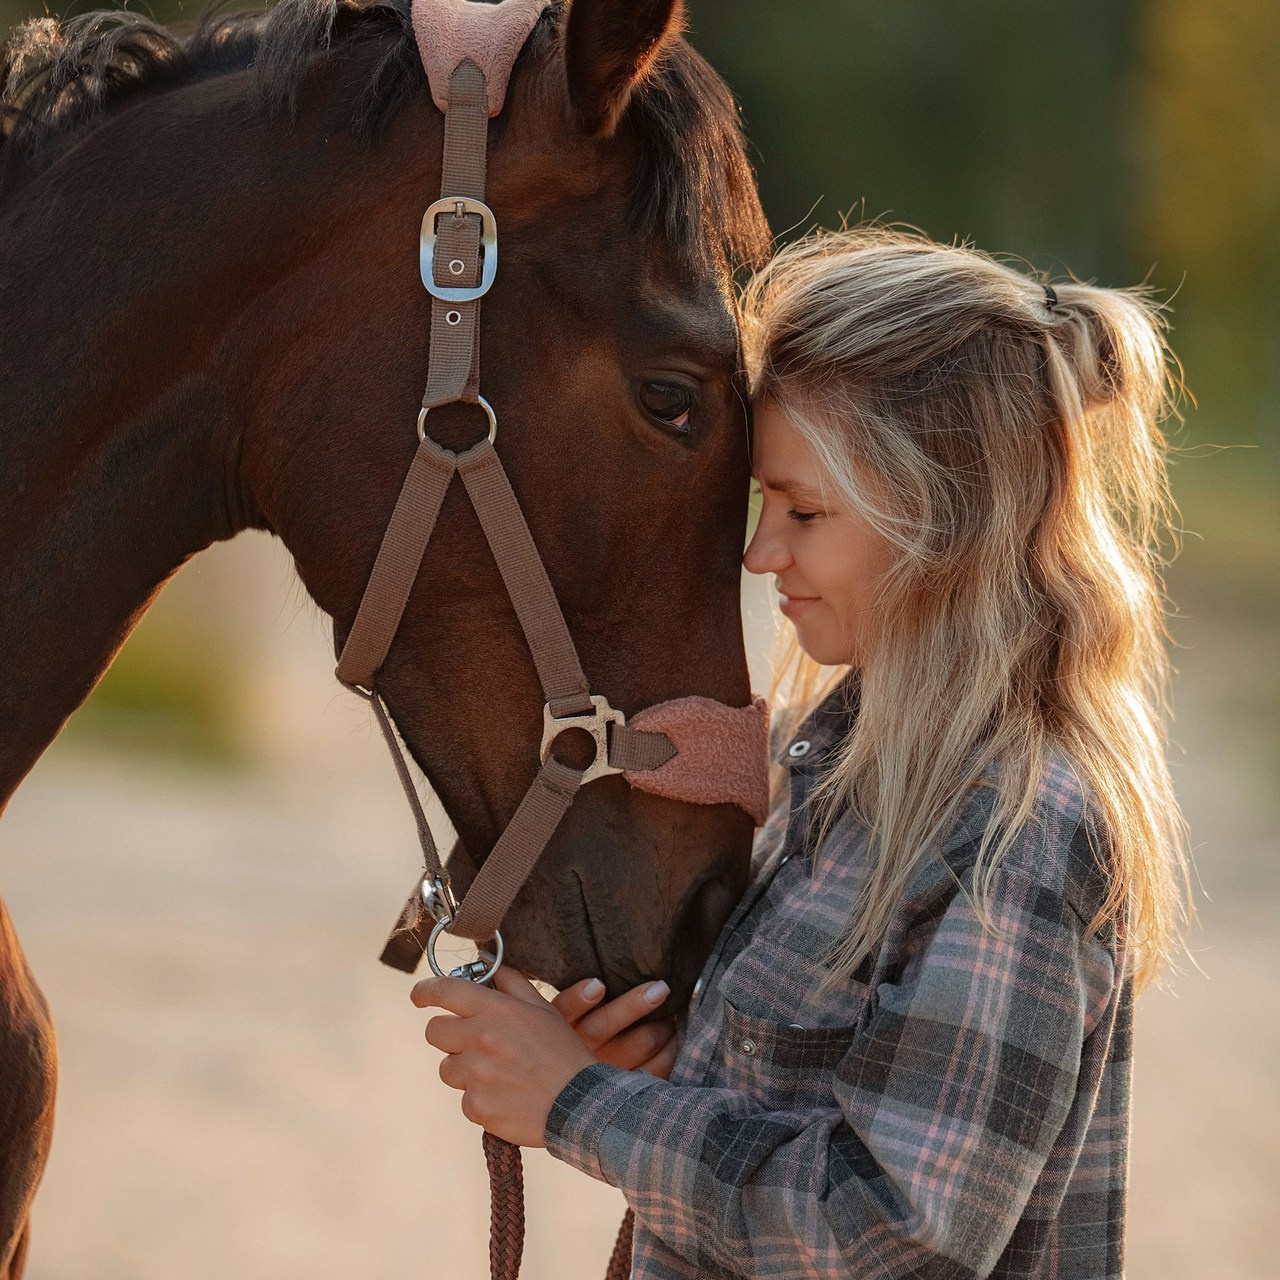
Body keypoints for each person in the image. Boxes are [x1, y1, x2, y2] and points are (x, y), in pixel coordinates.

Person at [410, 226, 1191, 1279]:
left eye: (803, 510)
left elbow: (889, 1231)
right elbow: (833, 1098)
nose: (760, 551)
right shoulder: (844, 769)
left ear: (944, 516)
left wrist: (581, 1103)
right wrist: (672, 1073)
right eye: (762, 500)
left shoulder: (1017, 828)